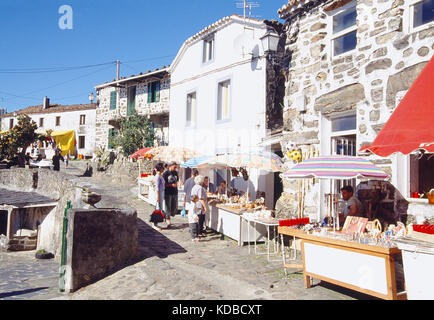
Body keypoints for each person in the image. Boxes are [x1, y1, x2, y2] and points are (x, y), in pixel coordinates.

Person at [162, 161, 179, 227]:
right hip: (168, 192)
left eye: (176, 167)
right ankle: (168, 219)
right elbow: (163, 184)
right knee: (168, 207)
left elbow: (177, 180)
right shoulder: (165, 174)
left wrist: (177, 184)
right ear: (170, 166)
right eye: (174, 167)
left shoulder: (175, 172)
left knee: (174, 208)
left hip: (175, 191)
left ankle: (168, 215)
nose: (175, 168)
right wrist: (171, 185)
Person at [152, 162, 165, 231]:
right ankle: (154, 224)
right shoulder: (157, 176)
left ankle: (156, 223)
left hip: (161, 193)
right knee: (157, 208)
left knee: (160, 208)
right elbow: (156, 187)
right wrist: (157, 196)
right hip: (159, 193)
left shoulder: (160, 176)